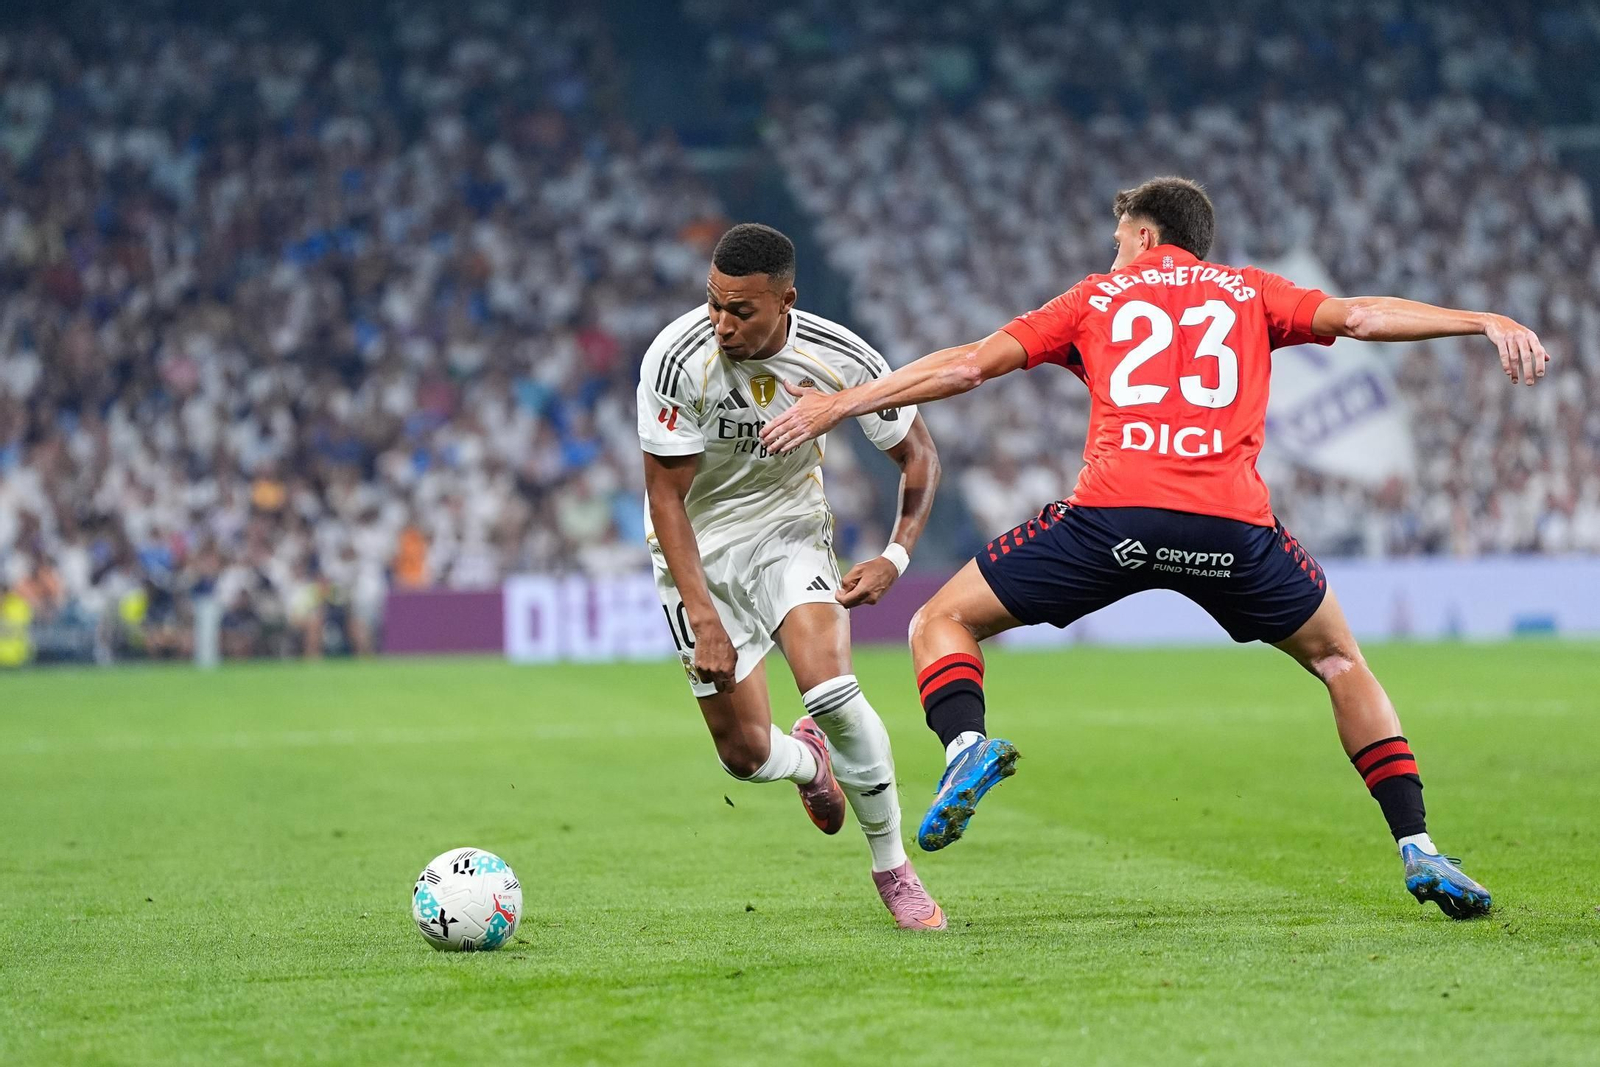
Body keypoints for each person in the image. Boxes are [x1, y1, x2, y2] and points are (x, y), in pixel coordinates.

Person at [760, 177, 1552, 919]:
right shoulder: (1252, 290)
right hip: (1232, 528)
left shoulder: (1096, 296)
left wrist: (846, 401)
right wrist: (1484, 319)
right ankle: (1418, 844)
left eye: (1116, 238)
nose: (1111, 252)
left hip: (1111, 519)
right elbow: (1362, 318)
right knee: (1340, 660)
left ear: (1144, 235)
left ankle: (965, 743)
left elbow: (968, 366)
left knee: (940, 620)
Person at [638, 223, 947, 929]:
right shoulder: (675, 359)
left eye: (740, 310)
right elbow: (665, 498)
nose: (720, 324)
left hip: (788, 532)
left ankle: (893, 868)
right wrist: (706, 617)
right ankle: (808, 762)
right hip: (695, 549)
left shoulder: (842, 355)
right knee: (743, 754)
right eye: (713, 304)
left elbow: (920, 458)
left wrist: (895, 557)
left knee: (833, 689)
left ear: (786, 300)